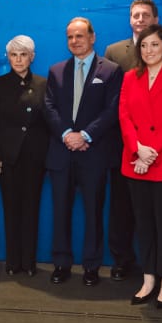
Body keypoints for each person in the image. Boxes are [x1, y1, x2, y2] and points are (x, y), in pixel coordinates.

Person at [43, 17, 123, 286]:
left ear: (92, 37)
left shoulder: (111, 70)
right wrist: (67, 135)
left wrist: (86, 135)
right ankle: (61, 263)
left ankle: (91, 266)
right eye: (70, 37)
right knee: (60, 212)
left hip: (94, 153)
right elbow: (49, 107)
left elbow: (112, 109)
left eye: (79, 36)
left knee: (93, 213)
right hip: (62, 153)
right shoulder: (56, 71)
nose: (74, 41)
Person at [118, 24, 162, 309]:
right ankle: (148, 278)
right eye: (144, 45)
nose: (149, 50)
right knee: (144, 225)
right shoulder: (130, 77)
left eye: (155, 45)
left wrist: (151, 154)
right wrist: (137, 149)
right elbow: (124, 116)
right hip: (135, 161)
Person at [102, 0, 162, 280]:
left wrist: (150, 146)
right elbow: (112, 102)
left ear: (155, 20)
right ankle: (122, 260)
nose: (140, 20)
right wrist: (134, 143)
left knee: (156, 210)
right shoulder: (114, 51)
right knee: (122, 207)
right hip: (123, 144)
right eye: (135, 15)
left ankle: (158, 263)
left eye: (145, 15)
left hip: (160, 147)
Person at [0, 35, 48, 276]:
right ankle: (13, 261)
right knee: (11, 210)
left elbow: (49, 122)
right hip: (7, 158)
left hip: (35, 158)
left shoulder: (43, 84)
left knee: (31, 209)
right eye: (13, 55)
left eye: (23, 55)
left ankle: (28, 262)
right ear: (8, 57)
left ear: (32, 57)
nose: (18, 59)